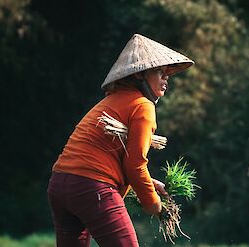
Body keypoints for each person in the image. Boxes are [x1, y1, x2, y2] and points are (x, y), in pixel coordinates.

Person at [47, 33, 194, 247]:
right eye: (159, 72)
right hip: (92, 188)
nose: (166, 78)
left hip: (59, 185)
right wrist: (154, 204)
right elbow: (134, 165)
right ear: (140, 76)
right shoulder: (143, 106)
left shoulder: (110, 102)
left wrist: (149, 185)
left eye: (167, 73)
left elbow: (104, 159)